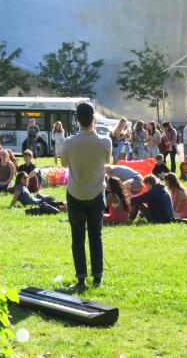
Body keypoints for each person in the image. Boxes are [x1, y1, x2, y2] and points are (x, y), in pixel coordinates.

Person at [60, 102, 111, 290]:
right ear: (93, 118)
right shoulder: (105, 141)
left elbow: (64, 164)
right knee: (96, 236)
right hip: (96, 193)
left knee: (77, 237)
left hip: (75, 193)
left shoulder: (69, 142)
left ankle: (81, 278)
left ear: (77, 120)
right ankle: (97, 277)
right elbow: (107, 160)